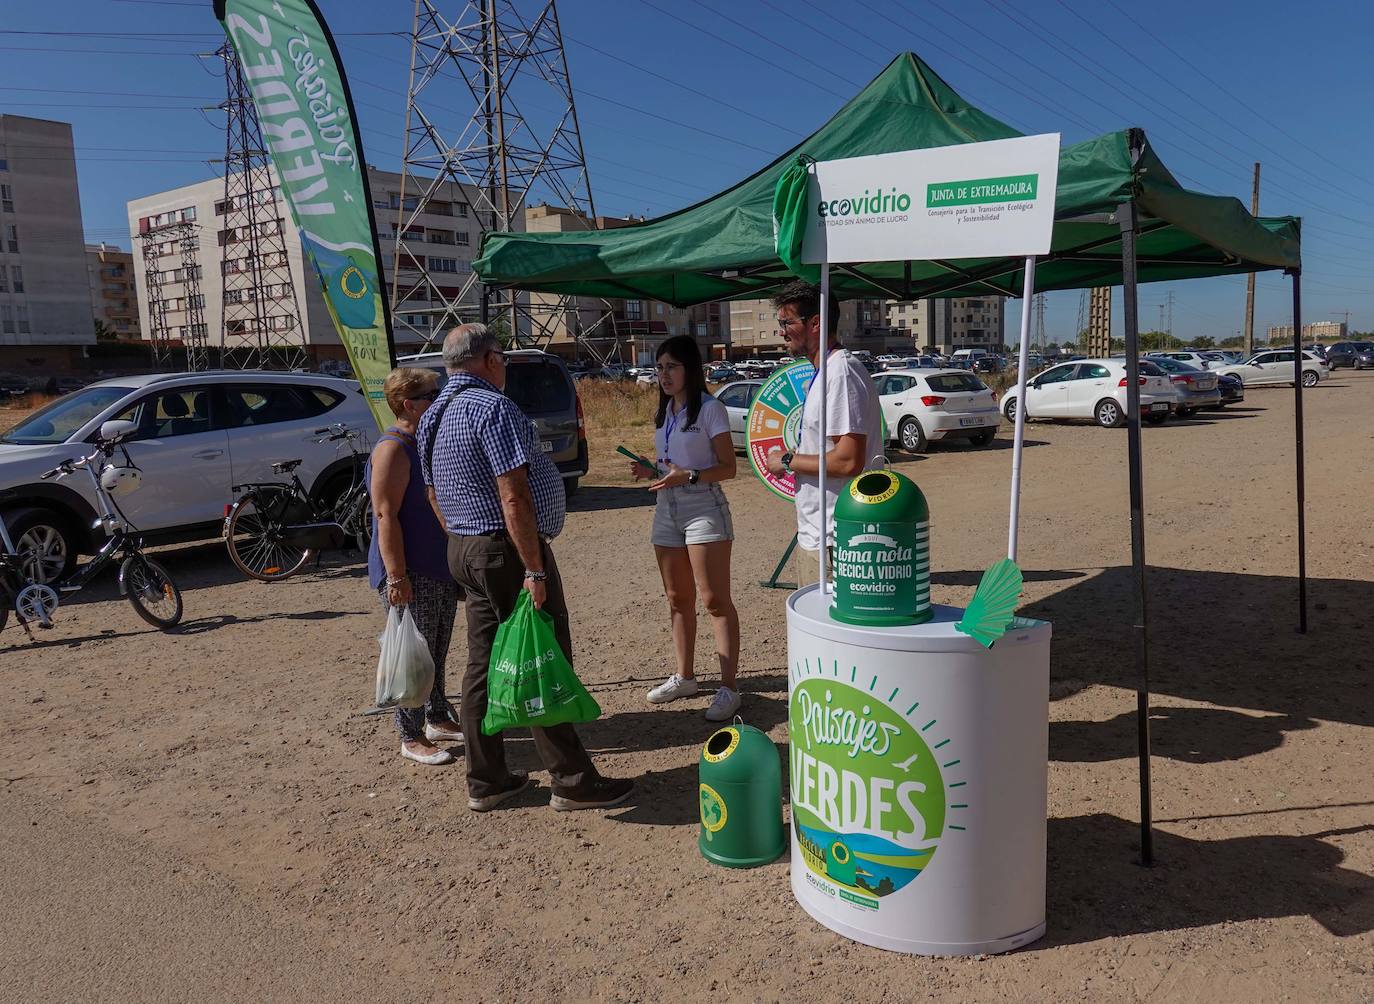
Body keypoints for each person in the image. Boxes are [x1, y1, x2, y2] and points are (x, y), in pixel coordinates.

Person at [418, 323, 634, 813]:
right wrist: (533, 570)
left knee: (482, 665)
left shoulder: (434, 413)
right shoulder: (492, 407)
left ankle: (488, 780)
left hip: (467, 546)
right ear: (490, 359)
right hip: (504, 551)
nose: (506, 369)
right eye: (504, 360)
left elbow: (433, 493)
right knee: (542, 658)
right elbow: (513, 495)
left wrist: (460, 540)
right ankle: (573, 781)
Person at [628, 335, 741, 721]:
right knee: (677, 599)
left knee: (714, 600)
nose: (663, 374)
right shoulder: (665, 412)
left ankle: (729, 687)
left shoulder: (710, 409)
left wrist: (688, 476)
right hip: (667, 510)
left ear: (690, 369)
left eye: (671, 366)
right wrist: (651, 471)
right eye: (659, 367)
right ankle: (685, 677)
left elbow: (728, 467)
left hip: (704, 508)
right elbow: (669, 469)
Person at [368, 367, 465, 766]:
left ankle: (437, 716)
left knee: (436, 648)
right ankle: (409, 734)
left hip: (437, 564)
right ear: (409, 405)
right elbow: (385, 515)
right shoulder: (392, 449)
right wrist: (396, 577)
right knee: (414, 652)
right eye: (432, 394)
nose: (440, 398)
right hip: (409, 570)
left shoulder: (423, 440)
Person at [764, 280, 884, 584]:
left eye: (786, 322)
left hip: (837, 537)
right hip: (821, 534)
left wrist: (788, 460)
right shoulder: (825, 372)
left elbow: (847, 461)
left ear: (815, 322)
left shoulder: (841, 372)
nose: (781, 331)